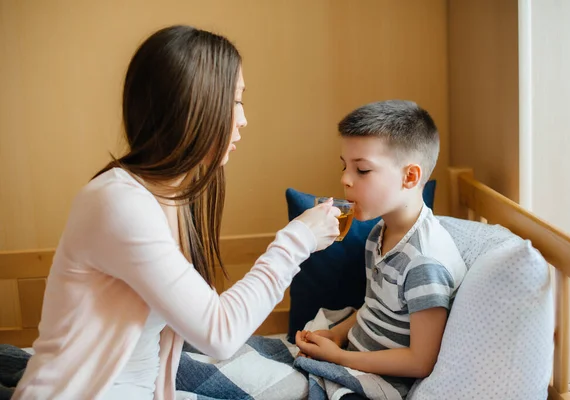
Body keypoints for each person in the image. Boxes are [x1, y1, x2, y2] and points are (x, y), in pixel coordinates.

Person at [13, 25, 340, 399]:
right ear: (193, 106)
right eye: (234, 101)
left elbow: (203, 323)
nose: (244, 119)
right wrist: (299, 239)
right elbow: (221, 333)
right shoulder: (119, 202)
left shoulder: (171, 198)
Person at [296, 100, 467, 389]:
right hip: (351, 357)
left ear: (409, 177)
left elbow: (421, 362)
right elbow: (374, 308)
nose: (345, 179)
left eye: (362, 170)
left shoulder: (424, 262)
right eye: (345, 166)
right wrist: (336, 335)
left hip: (377, 384)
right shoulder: (379, 233)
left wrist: (339, 358)